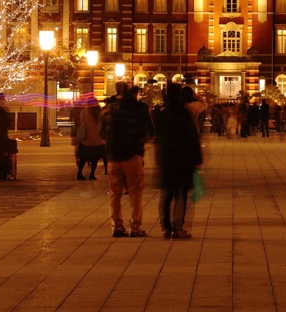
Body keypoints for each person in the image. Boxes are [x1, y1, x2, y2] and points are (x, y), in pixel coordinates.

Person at [100, 82, 154, 237]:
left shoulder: (108, 109)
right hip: (133, 155)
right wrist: (139, 141)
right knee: (135, 192)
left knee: (114, 193)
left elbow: (101, 131)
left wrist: (110, 142)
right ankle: (135, 227)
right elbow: (150, 131)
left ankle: (117, 227)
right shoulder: (140, 108)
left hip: (113, 157)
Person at [159, 85, 204, 239]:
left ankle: (165, 228)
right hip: (183, 158)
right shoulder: (184, 113)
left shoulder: (163, 114)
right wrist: (197, 158)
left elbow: (157, 137)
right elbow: (193, 137)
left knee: (166, 195)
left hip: (167, 158)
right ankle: (178, 227)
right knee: (181, 195)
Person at [76, 100, 106, 180]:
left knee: (83, 158)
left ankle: (79, 173)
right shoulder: (100, 113)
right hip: (97, 140)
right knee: (94, 159)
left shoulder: (84, 112)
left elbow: (81, 121)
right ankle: (92, 174)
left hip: (86, 139)